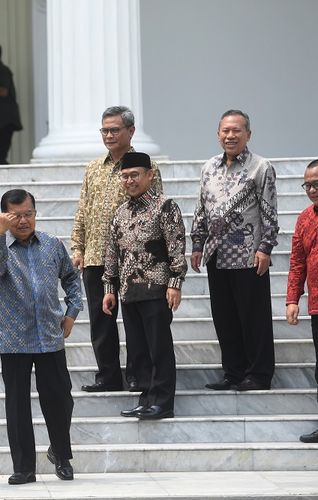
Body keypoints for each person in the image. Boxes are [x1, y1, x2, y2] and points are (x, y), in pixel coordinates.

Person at [0, 189, 80, 485]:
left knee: (61, 398)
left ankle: (61, 455)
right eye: (16, 216)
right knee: (17, 406)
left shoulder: (52, 245)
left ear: (35, 213)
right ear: (3, 216)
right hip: (15, 340)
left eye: (28, 214)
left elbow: (72, 280)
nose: (23, 221)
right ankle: (24, 467)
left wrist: (72, 311)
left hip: (50, 335)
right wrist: (0, 235)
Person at [71, 106, 162, 393]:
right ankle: (108, 376)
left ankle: (137, 374)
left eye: (114, 130)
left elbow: (155, 210)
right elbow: (83, 210)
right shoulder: (93, 168)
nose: (109, 135)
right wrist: (78, 246)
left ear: (130, 131)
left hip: (133, 260)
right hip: (97, 256)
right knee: (101, 322)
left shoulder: (145, 166)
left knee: (136, 323)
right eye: (105, 130)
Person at [191, 110, 278, 392]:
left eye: (237, 130)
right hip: (217, 254)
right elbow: (201, 209)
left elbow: (269, 212)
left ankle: (259, 374)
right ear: (218, 134)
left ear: (248, 135)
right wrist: (196, 244)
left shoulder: (260, 167)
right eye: (225, 131)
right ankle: (233, 372)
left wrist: (265, 248)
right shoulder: (209, 168)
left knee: (254, 318)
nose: (230, 136)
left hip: (248, 254)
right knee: (225, 318)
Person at [101, 152, 187, 420]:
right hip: (128, 291)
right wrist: (108, 289)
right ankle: (146, 398)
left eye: (135, 175)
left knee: (158, 347)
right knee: (138, 350)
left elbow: (176, 247)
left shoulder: (165, 206)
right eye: (125, 176)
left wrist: (175, 283)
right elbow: (111, 253)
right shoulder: (120, 212)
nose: (129, 180)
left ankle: (163, 402)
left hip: (156, 288)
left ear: (149, 175)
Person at [285, 158, 318, 442]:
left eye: (316, 184)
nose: (311, 189)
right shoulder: (305, 218)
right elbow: (297, 262)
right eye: (307, 184)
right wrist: (292, 299)